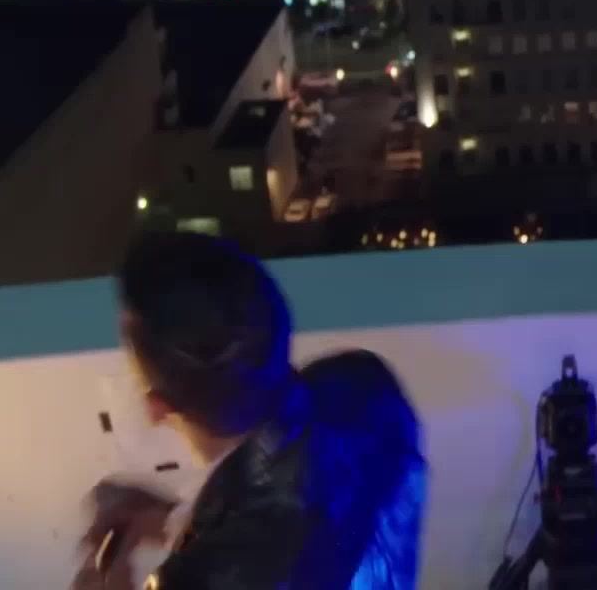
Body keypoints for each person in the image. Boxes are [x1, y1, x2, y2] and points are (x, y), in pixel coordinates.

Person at [75, 231, 425, 590]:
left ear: (157, 407)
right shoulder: (363, 387)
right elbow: (294, 526)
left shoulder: (198, 579)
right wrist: (172, 519)